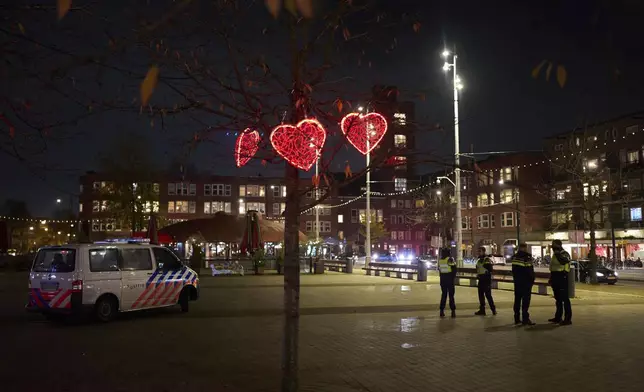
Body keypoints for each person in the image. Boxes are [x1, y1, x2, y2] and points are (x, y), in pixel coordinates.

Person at [549, 239, 572, 325]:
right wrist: (551, 278)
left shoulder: (564, 254)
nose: (552, 247)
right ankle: (558, 317)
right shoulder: (555, 254)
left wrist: (558, 253)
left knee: (565, 299)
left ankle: (567, 319)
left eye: (554, 245)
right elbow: (553, 266)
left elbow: (563, 262)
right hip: (555, 277)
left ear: (559, 245)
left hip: (562, 277)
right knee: (558, 299)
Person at [511, 243, 536, 325]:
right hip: (526, 282)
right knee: (525, 301)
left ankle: (516, 318)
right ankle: (525, 318)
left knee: (517, 300)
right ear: (525, 248)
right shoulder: (527, 257)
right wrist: (532, 280)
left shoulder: (515, 257)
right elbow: (529, 271)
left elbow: (514, 270)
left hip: (517, 282)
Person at [474, 247, 496, 316]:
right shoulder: (479, 260)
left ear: (483, 251)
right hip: (481, 279)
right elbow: (478, 269)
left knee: (488, 295)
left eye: (480, 251)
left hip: (486, 279)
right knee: (481, 295)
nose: (478, 252)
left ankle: (493, 309)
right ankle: (482, 310)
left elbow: (490, 269)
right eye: (478, 251)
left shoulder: (486, 259)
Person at [438, 248, 457, 318]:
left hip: (443, 280)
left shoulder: (441, 260)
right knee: (451, 296)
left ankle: (441, 311)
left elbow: (440, 271)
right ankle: (453, 311)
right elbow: (454, 269)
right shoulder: (450, 259)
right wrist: (452, 278)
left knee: (444, 295)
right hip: (449, 280)